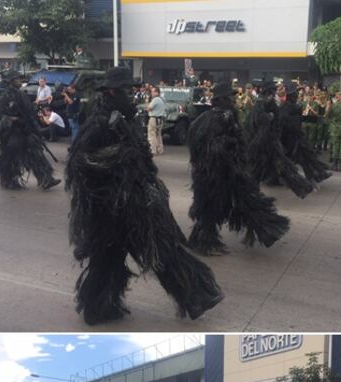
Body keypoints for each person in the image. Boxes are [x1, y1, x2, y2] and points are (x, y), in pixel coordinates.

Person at [66, 65, 224, 325]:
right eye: (126, 91)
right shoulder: (99, 120)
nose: (132, 95)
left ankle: (195, 296)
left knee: (143, 252)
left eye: (132, 90)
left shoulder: (122, 117)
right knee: (145, 252)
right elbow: (79, 162)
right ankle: (195, 296)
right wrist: (118, 157)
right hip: (115, 206)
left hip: (133, 200)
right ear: (112, 91)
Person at [185, 80, 290, 256]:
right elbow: (208, 147)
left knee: (227, 205)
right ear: (221, 100)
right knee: (212, 207)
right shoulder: (214, 118)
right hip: (214, 175)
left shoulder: (224, 116)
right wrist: (230, 143)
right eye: (230, 98)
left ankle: (201, 239)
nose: (233, 101)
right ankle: (205, 243)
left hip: (227, 172)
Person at [0, 70, 60, 191]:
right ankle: (8, 181)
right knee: (12, 158)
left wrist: (34, 126)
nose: (21, 80)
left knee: (37, 153)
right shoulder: (5, 96)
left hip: (25, 129)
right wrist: (11, 119)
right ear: (11, 81)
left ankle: (46, 179)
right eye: (18, 79)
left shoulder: (20, 94)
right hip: (13, 133)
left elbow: (28, 113)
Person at [244, 80, 314, 197]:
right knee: (263, 164)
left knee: (276, 162)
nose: (275, 91)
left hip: (271, 138)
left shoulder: (269, 102)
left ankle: (296, 184)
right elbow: (256, 120)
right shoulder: (261, 102)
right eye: (273, 89)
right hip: (264, 140)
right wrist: (269, 117)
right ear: (268, 91)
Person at [146, 85, 165, 155]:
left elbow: (149, 108)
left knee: (152, 135)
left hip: (154, 118)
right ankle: (160, 150)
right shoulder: (162, 99)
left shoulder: (155, 99)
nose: (151, 93)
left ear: (157, 92)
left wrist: (147, 102)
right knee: (158, 135)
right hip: (160, 119)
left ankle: (153, 150)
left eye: (153, 91)